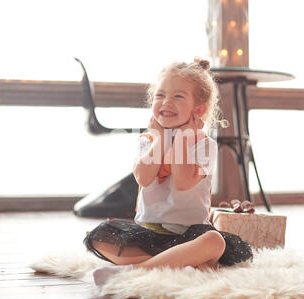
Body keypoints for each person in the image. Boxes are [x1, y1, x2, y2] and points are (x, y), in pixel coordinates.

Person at [84, 58, 253, 287]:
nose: (166, 102)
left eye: (178, 96)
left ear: (199, 110)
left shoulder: (204, 145)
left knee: (215, 241)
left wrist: (183, 137)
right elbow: (143, 177)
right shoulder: (149, 141)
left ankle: (136, 270)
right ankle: (181, 263)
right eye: (160, 95)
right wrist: (162, 138)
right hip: (149, 233)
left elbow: (183, 182)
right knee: (100, 236)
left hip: (190, 234)